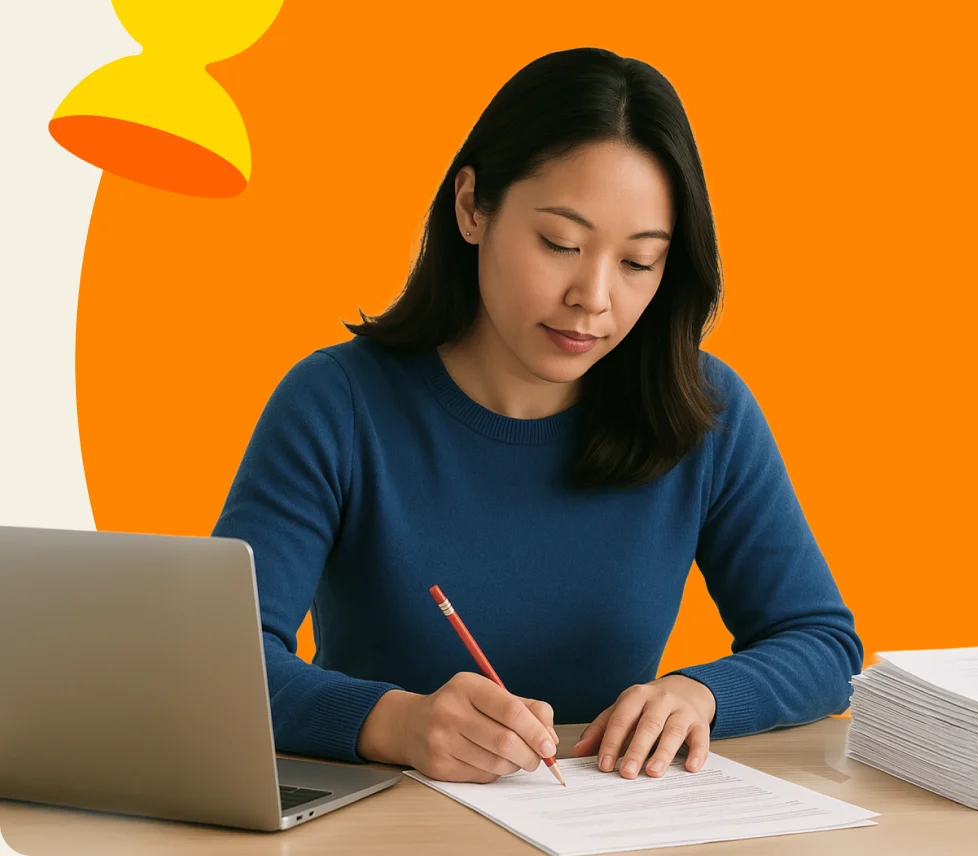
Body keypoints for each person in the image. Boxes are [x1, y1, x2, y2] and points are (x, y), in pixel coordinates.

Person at [212, 47, 863, 785]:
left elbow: (822, 645)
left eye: (638, 262)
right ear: (472, 207)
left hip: (604, 822)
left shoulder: (702, 409)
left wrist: (699, 695)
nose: (594, 296)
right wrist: (397, 723)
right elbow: (222, 664)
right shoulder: (336, 403)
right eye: (561, 244)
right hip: (391, 822)